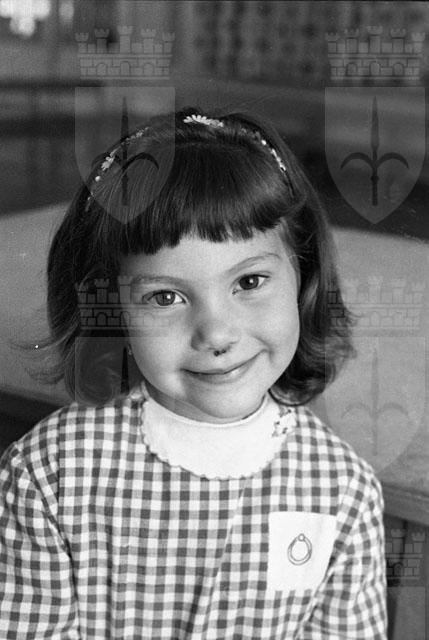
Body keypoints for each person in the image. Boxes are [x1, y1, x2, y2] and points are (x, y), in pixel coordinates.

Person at [0, 108, 386, 639]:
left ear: (304, 278)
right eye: (165, 297)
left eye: (249, 282)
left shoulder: (342, 491)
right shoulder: (50, 475)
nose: (217, 334)